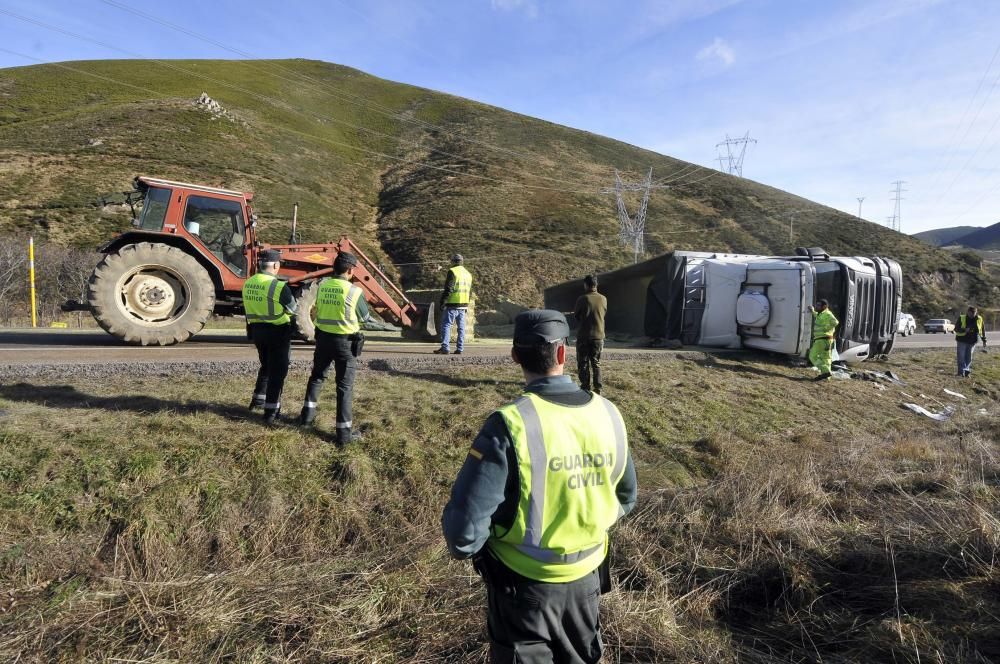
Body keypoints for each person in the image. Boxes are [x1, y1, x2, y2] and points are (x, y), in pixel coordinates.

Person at [442, 309, 638, 663]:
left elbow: (463, 535)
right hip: (589, 582)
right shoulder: (609, 413)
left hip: (523, 592)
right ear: (564, 353)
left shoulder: (509, 424)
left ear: (515, 355)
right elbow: (626, 496)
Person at [299, 252, 370, 444]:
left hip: (322, 339)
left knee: (316, 378)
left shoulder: (323, 286)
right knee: (344, 387)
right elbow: (365, 318)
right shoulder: (354, 291)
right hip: (345, 343)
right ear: (350, 270)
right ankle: (344, 435)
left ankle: (306, 419)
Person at [243, 249, 296, 424]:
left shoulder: (249, 283)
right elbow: (292, 309)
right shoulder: (278, 286)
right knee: (277, 373)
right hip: (277, 332)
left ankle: (257, 401)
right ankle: (271, 413)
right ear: (275, 265)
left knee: (265, 367)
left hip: (257, 332)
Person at [573, 275, 607, 394]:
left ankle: (585, 387)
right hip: (598, 336)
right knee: (596, 363)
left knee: (583, 362)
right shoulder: (603, 299)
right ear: (596, 285)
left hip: (584, 336)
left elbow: (576, 316)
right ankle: (598, 388)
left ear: (586, 285)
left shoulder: (582, 299)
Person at [434, 254, 473, 355]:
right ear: (462, 261)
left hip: (452, 304)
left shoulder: (453, 272)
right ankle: (460, 348)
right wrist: (466, 304)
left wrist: (443, 301)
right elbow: (469, 291)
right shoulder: (468, 274)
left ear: (453, 262)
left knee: (446, 325)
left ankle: (445, 348)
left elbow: (449, 288)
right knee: (461, 328)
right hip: (463, 304)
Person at [807, 299, 839, 381]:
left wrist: (826, 329)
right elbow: (818, 316)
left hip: (822, 339)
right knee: (826, 358)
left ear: (824, 306)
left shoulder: (827, 314)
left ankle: (825, 371)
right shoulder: (821, 314)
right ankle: (827, 377)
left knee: (812, 356)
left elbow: (835, 322)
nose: (817, 306)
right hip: (827, 340)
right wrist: (813, 311)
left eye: (818, 305)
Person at [955, 305, 987, 377]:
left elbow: (982, 329)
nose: (972, 314)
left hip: (973, 341)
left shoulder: (979, 319)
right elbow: (956, 328)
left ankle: (967, 372)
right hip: (962, 340)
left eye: (974, 313)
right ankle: (961, 372)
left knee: (969, 357)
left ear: (976, 312)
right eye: (971, 313)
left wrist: (984, 340)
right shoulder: (962, 318)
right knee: (961, 357)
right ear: (968, 312)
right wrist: (964, 329)